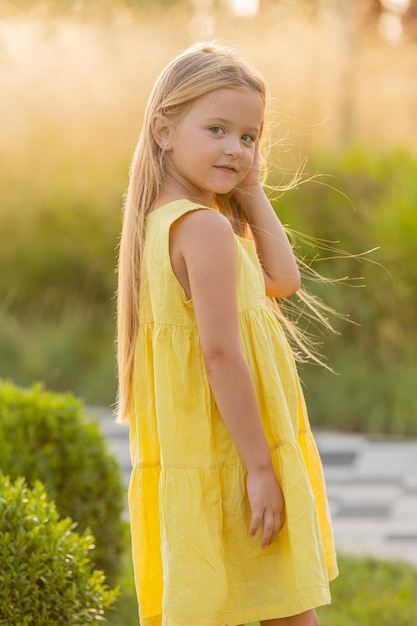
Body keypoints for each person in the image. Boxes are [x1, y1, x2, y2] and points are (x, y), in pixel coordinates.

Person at [116, 41, 339, 626]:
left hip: (205, 457)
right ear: (163, 130)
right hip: (235, 458)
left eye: (248, 137)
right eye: (216, 129)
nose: (235, 149)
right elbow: (220, 357)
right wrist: (261, 470)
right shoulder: (205, 231)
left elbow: (282, 280)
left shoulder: (162, 224)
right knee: (290, 613)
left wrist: (252, 188)